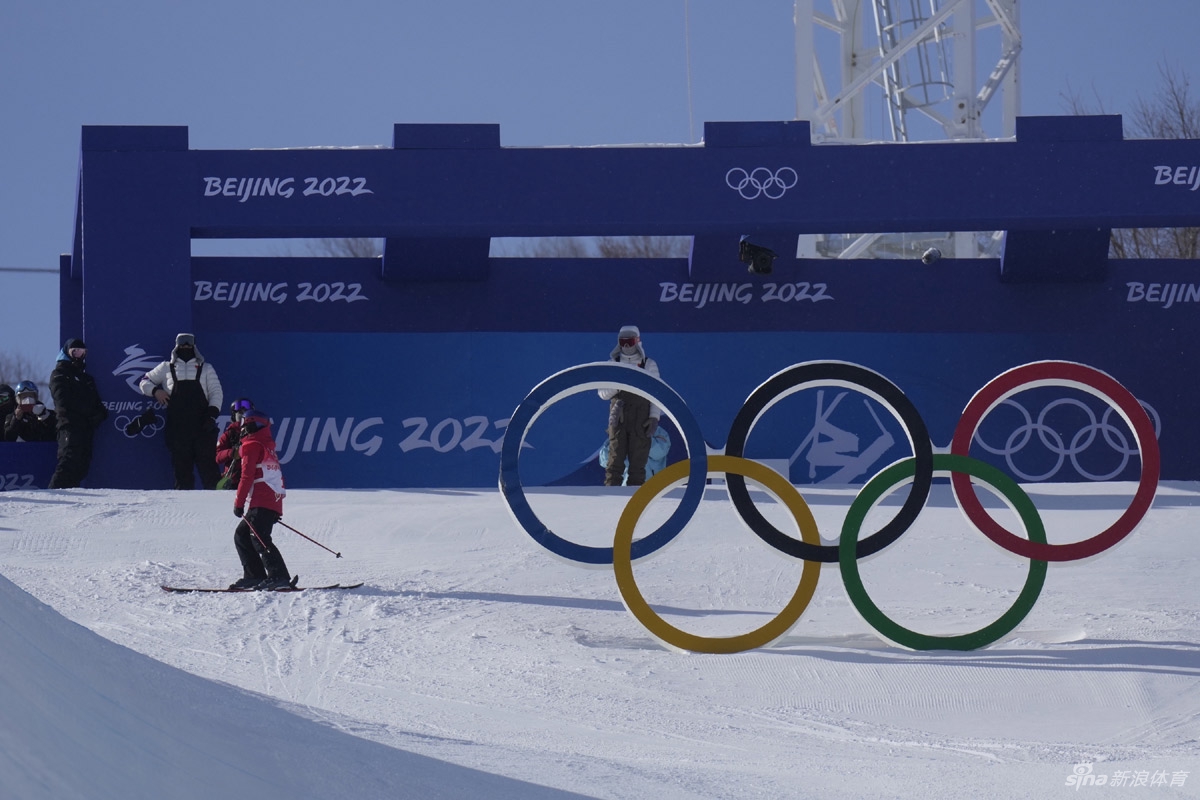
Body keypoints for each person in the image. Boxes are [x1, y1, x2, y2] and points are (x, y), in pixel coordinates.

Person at [138, 333, 223, 489]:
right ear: (176, 346)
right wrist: (156, 391)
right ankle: (182, 511)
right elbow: (144, 382)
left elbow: (216, 392)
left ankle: (216, 508)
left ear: (194, 346)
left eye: (188, 343)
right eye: (182, 343)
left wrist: (211, 416)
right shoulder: (166, 367)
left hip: (203, 427)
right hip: (177, 429)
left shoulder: (206, 368)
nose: (185, 346)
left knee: (209, 471)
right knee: (182, 472)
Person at [229, 409, 293, 590]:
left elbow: (246, 477)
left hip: (261, 500)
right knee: (242, 535)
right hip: (269, 499)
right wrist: (275, 508)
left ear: (249, 426)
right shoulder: (268, 447)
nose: (241, 429)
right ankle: (254, 576)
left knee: (258, 538)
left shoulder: (251, 445)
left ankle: (278, 576)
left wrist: (238, 503)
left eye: (243, 425)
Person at [597, 325, 663, 486]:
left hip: (641, 420)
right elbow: (602, 393)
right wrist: (619, 384)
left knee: (638, 463)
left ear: (638, 341)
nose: (627, 346)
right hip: (618, 418)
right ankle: (610, 498)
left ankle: (635, 500)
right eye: (623, 342)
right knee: (615, 461)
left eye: (630, 341)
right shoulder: (612, 363)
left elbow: (657, 395)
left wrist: (654, 417)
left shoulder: (648, 364)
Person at [48, 338, 108, 489]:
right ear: (66, 353)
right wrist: (88, 412)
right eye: (74, 351)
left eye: (82, 352)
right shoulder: (59, 374)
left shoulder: (86, 379)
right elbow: (63, 402)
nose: (78, 355)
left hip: (86, 429)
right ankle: (52, 495)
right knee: (68, 461)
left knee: (81, 466)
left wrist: (99, 415)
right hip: (69, 426)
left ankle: (69, 502)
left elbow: (97, 404)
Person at [215, 397, 254, 490]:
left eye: (245, 412)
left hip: (253, 480)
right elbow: (218, 457)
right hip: (233, 481)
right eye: (239, 412)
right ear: (234, 415)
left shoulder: (257, 432)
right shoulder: (229, 434)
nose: (242, 414)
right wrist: (232, 453)